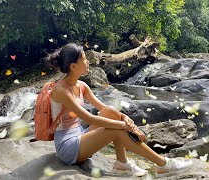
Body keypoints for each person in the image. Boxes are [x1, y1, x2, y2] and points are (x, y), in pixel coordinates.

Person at [46, 43, 193, 177]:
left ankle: (122, 164)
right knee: (115, 130)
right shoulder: (61, 90)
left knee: (111, 111)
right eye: (84, 59)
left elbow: (104, 109)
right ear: (73, 66)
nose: (88, 62)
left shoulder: (82, 86)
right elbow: (90, 119)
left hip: (79, 135)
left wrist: (124, 118)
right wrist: (125, 127)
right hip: (68, 148)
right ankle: (164, 165)